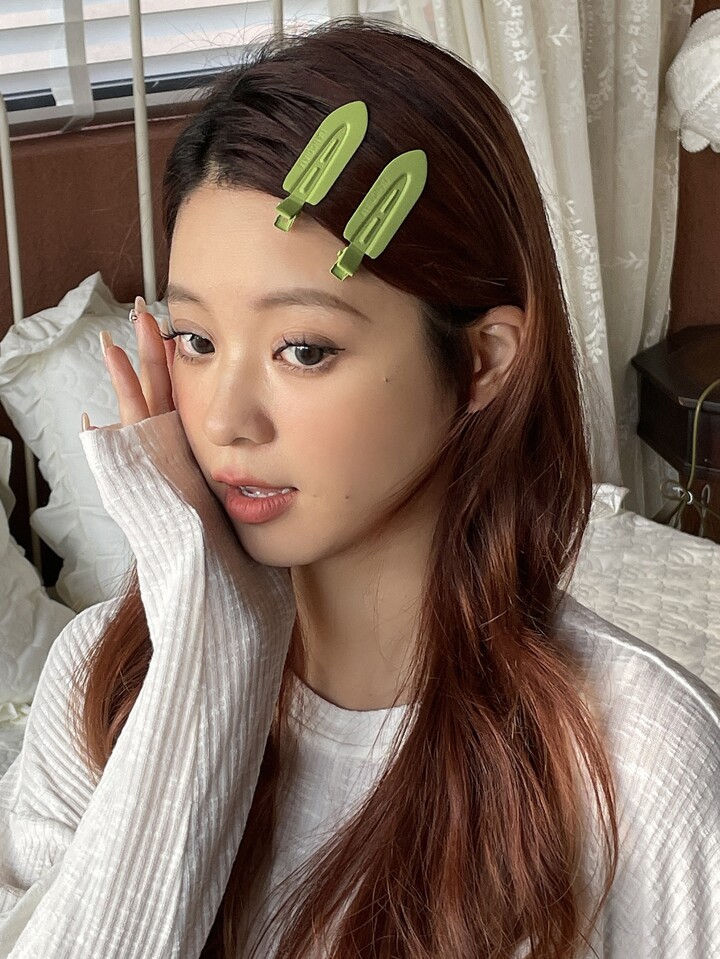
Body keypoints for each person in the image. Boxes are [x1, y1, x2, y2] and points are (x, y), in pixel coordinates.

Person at [1, 16, 719, 959]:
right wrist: (205, 661)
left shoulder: (638, 764)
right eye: (196, 340)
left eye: (304, 349)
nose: (225, 420)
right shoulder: (99, 686)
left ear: (481, 361)